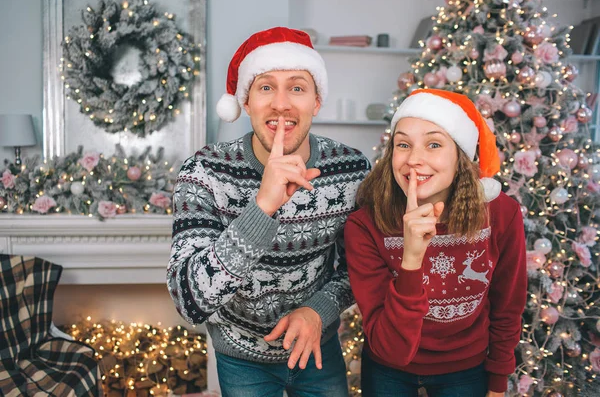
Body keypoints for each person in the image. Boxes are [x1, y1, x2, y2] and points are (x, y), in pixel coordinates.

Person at [167, 27, 370, 396]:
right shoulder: (204, 172)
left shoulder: (351, 169)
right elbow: (189, 300)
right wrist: (263, 206)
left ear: (316, 101)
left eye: (296, 87)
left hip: (317, 347)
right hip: (240, 357)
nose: (281, 104)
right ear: (246, 102)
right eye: (265, 87)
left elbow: (361, 267)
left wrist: (318, 311)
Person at [345, 89, 527, 397]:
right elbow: (391, 350)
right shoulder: (364, 225)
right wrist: (412, 258)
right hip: (389, 370)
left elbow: (508, 305)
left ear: (461, 156)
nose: (414, 160)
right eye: (403, 144)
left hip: (466, 371)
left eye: (433, 144)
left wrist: (498, 379)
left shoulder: (502, 213)